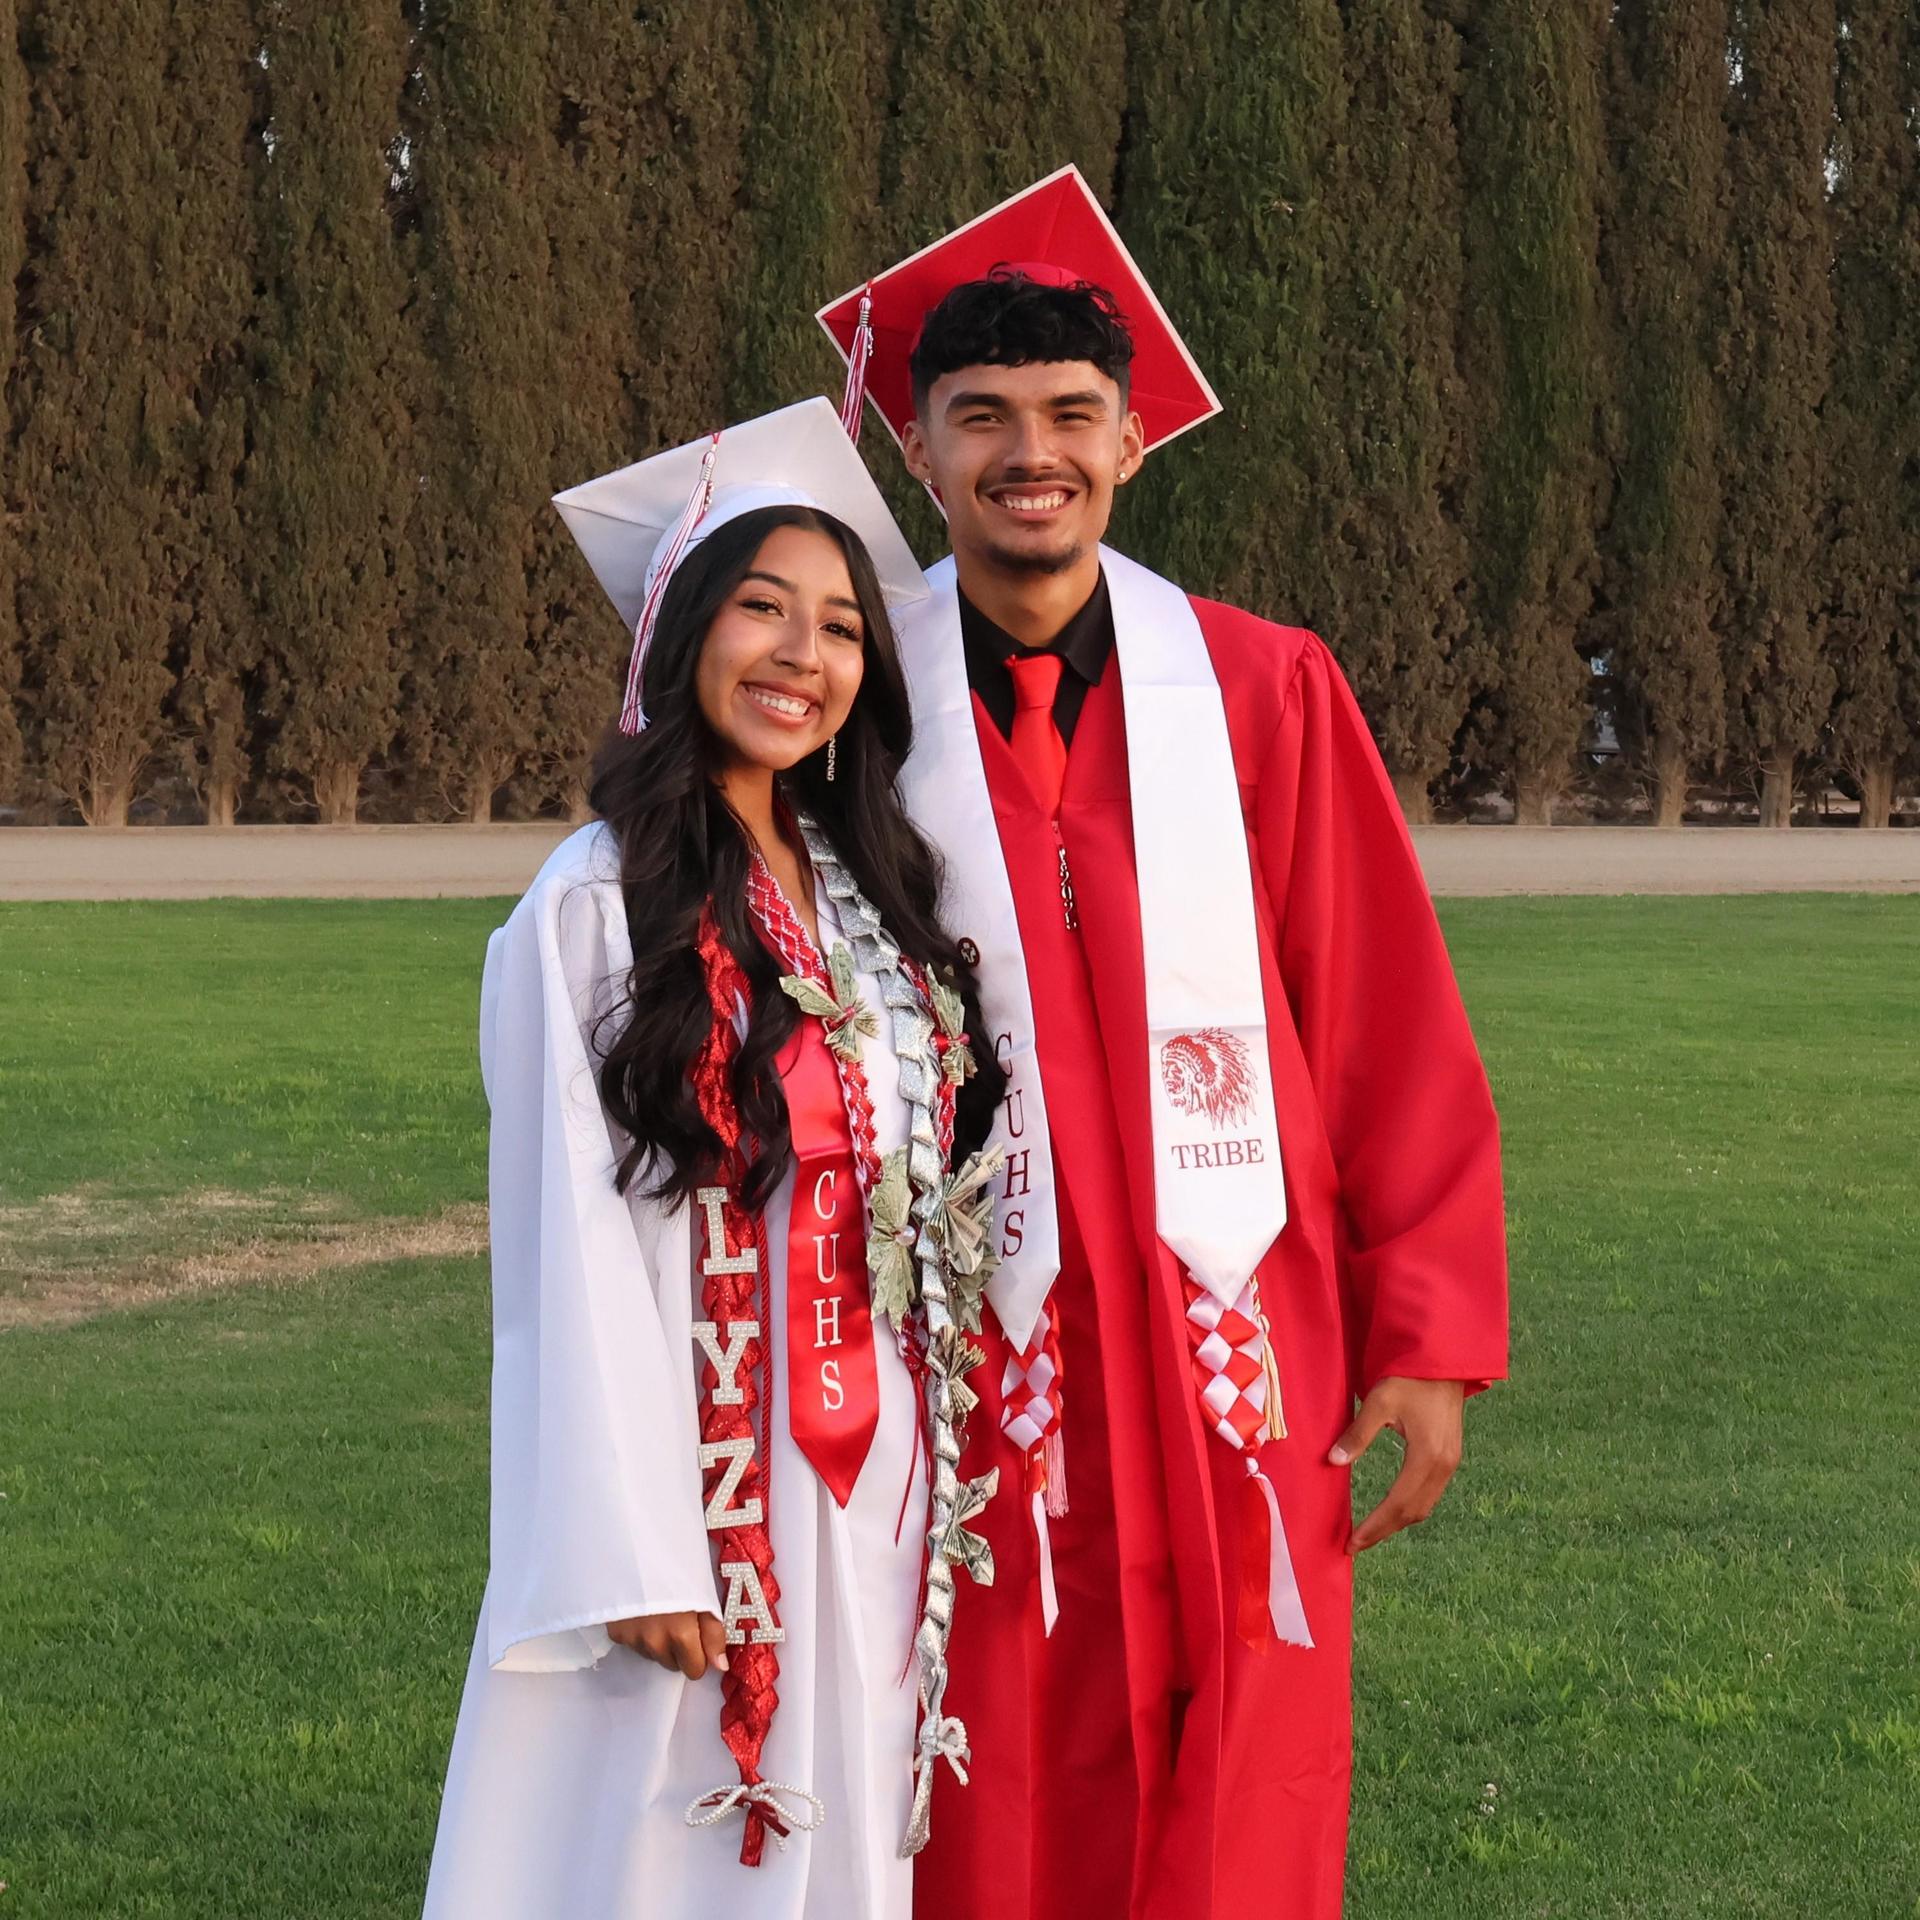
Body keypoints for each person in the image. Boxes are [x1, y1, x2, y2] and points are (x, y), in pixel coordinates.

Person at [816, 168, 1511, 1918]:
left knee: (1247, 1767)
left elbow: (1383, 1021)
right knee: (983, 1758)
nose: (1027, 453)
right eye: (981, 419)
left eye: (1069, 417)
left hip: (1234, 1345)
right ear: (922, 452)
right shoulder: (855, 711)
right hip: (979, 1363)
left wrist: (1422, 1330)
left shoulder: (1262, 687)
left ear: (1131, 442)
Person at [422, 398, 1008, 1920]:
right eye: (762, 609)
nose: (801, 657)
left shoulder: (868, 905)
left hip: (864, 1480)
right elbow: (569, 1238)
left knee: (841, 1838)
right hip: (699, 1474)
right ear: (681, 634)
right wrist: (630, 1550)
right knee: (650, 1845)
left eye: (839, 629)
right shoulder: (594, 909)